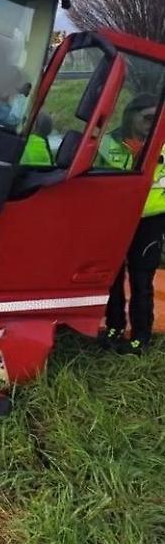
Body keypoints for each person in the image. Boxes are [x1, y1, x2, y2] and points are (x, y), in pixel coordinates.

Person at [99, 93, 165, 354]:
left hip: (150, 221)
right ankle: (114, 328)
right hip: (114, 220)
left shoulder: (162, 143)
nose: (153, 123)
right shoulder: (107, 144)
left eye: (157, 118)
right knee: (111, 278)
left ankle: (140, 338)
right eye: (148, 118)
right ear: (130, 116)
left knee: (141, 280)